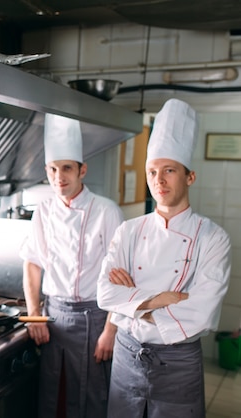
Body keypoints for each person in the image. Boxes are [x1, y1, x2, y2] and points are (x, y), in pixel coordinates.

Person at [97, 98, 231, 418]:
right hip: (127, 356)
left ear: (190, 177)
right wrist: (162, 299)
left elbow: (201, 312)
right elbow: (104, 293)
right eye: (153, 171)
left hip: (179, 363)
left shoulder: (213, 238)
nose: (159, 181)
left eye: (169, 170)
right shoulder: (129, 231)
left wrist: (132, 304)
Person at [20, 113, 123, 418]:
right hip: (54, 317)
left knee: (91, 398)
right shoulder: (44, 209)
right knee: (54, 395)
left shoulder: (106, 211)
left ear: (82, 170)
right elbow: (33, 263)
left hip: (95, 319)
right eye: (53, 169)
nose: (59, 176)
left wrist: (111, 331)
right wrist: (35, 315)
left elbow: (122, 278)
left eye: (66, 168)